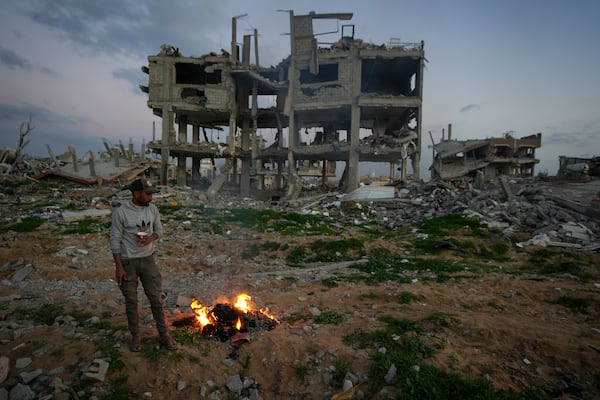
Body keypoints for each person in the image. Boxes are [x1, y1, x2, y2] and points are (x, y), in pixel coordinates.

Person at [109, 178, 177, 352]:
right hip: (127, 262)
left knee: (156, 299)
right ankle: (136, 336)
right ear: (136, 193)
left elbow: (159, 230)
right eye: (147, 194)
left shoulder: (152, 209)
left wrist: (151, 238)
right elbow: (115, 240)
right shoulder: (121, 213)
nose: (151, 198)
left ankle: (164, 335)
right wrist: (119, 267)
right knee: (131, 301)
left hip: (148, 260)